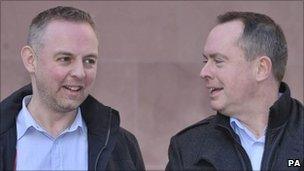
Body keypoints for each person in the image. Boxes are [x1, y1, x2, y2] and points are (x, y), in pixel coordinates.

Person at [0, 6, 145, 171]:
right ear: (31, 60)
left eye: (89, 60)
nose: (80, 73)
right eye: (65, 59)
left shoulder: (122, 146)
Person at [166, 11, 303, 170]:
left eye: (218, 61)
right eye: (205, 60)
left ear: (261, 68)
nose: (204, 72)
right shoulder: (187, 148)